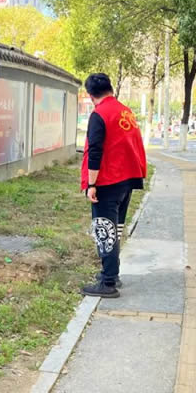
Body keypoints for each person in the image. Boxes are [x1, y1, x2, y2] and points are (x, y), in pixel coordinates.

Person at [80, 73, 147, 298]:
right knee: (115, 227)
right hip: (127, 179)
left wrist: (91, 184)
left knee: (104, 229)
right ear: (110, 89)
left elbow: (95, 151)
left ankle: (108, 282)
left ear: (91, 96)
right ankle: (112, 273)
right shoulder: (125, 111)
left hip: (108, 181)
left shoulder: (99, 115)